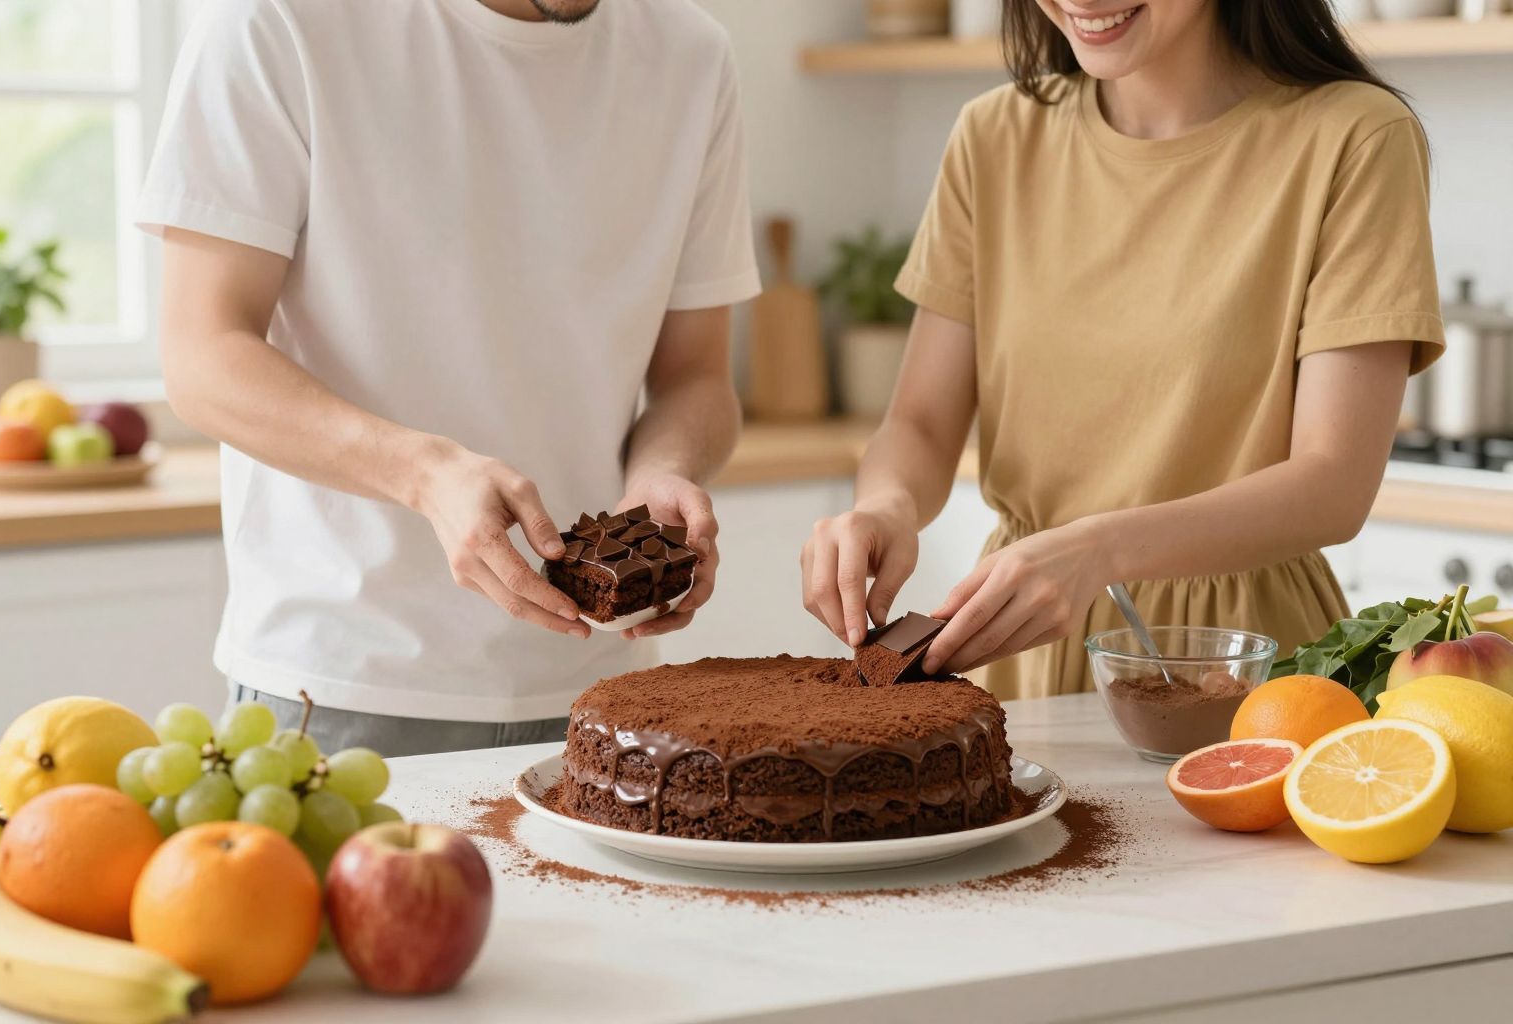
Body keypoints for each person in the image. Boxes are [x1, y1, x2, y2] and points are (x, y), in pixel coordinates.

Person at [139, 0, 759, 754]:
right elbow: (202, 355)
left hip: (597, 690)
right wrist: (425, 473)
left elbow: (696, 376)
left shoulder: (690, 54)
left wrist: (664, 472)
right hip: (338, 688)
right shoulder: (276, 19)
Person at [801, 0, 1444, 700]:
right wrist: (886, 506)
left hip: (1239, 665)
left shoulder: (1356, 136)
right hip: (1023, 653)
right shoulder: (994, 136)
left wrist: (1098, 552)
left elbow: (1334, 483)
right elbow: (920, 422)